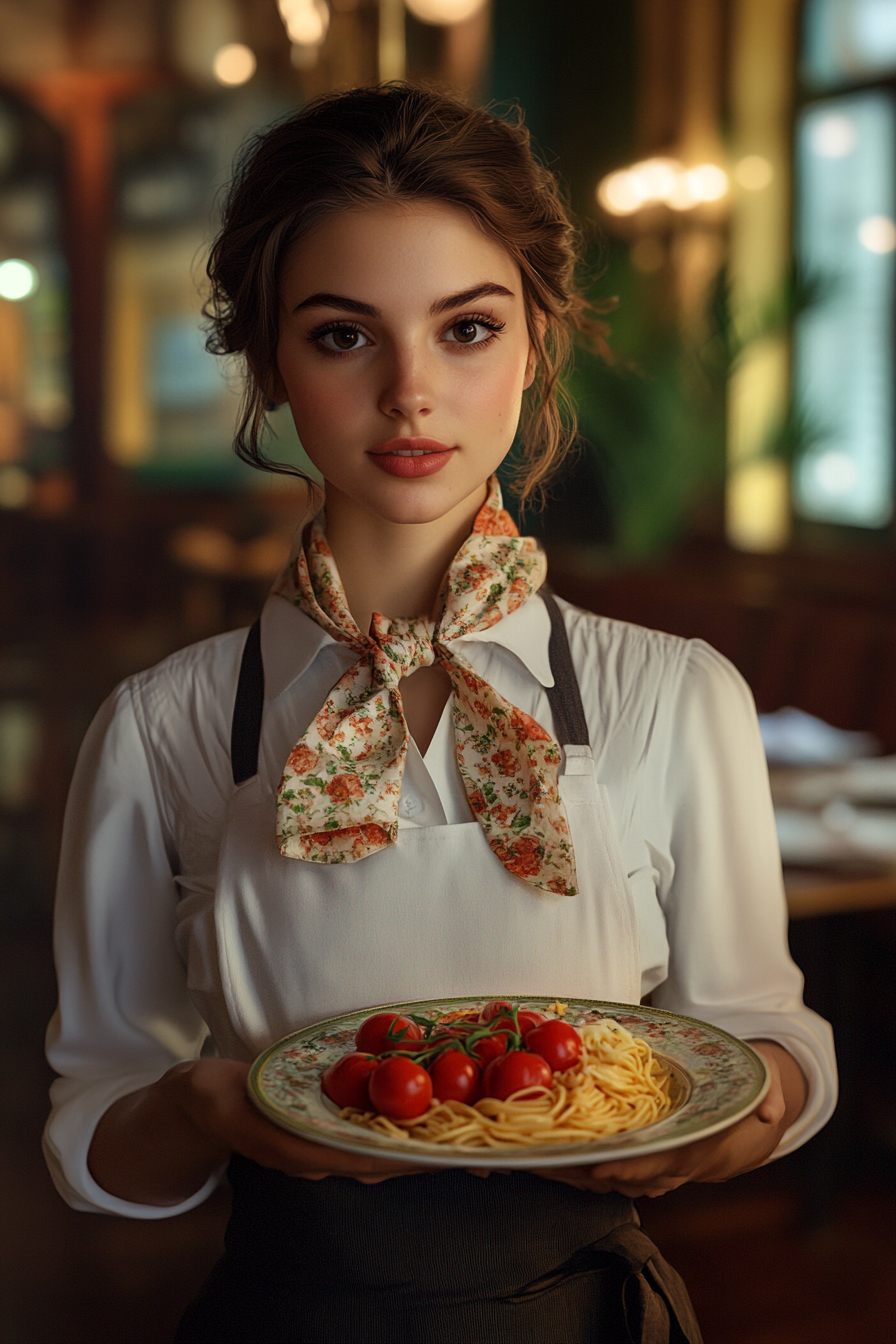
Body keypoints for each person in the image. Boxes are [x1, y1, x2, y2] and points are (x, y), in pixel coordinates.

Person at [44, 84, 836, 1344]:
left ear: (535, 343)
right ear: (269, 364)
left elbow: (760, 1030)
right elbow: (96, 1135)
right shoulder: (161, 727)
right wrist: (201, 1109)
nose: (411, 393)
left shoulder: (676, 694)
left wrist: (733, 1125)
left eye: (464, 329)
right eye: (343, 336)